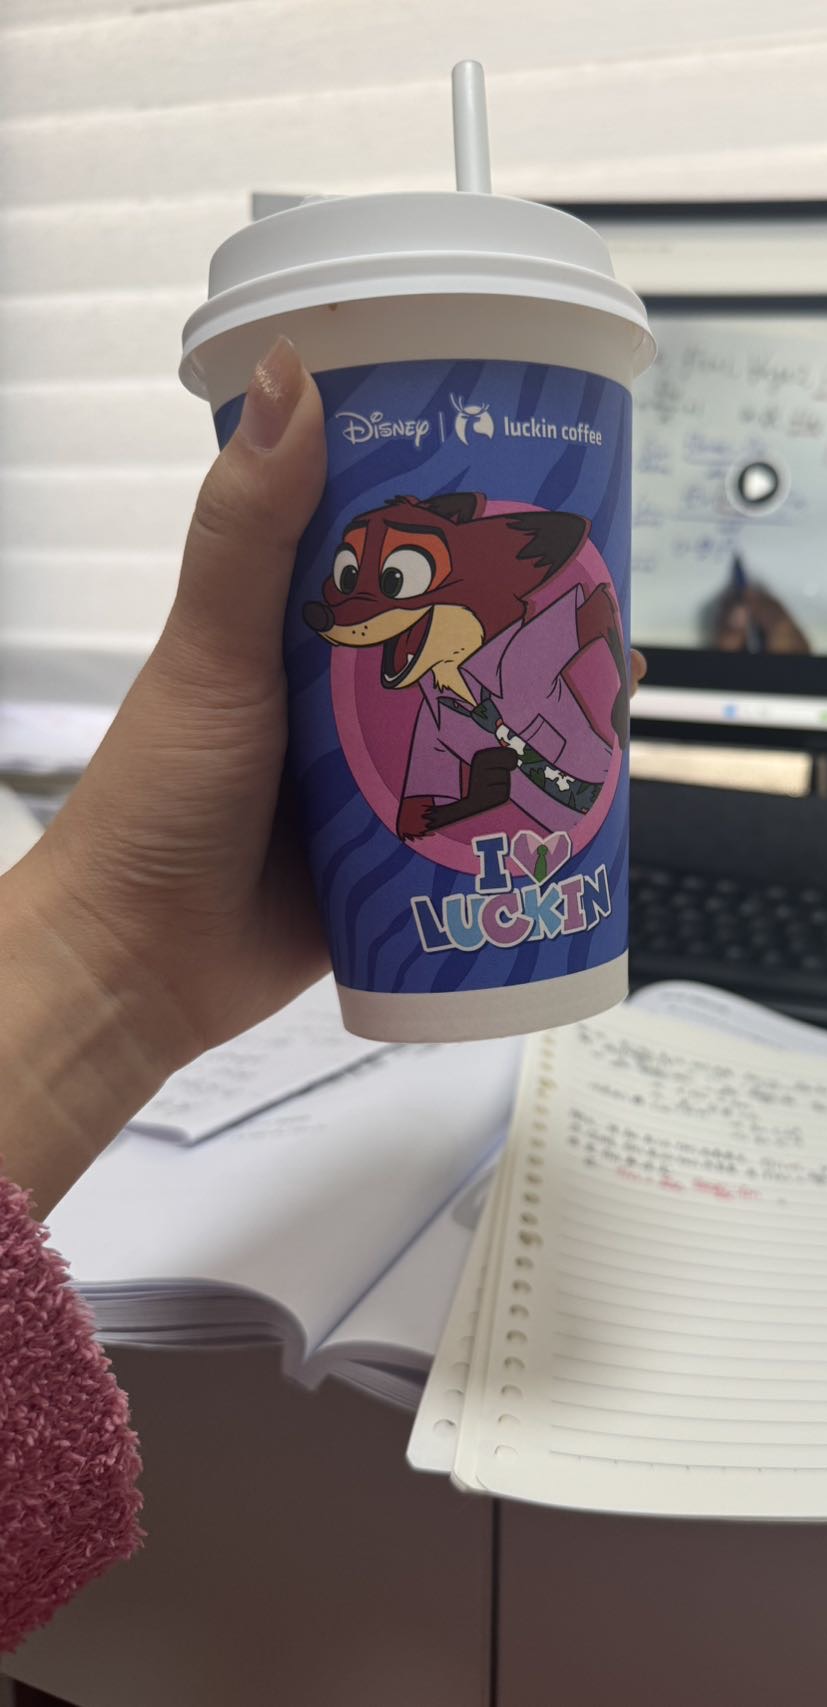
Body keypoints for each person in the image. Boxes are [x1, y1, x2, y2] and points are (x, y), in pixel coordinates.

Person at [0, 338, 645, 1649]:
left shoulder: (515, 639)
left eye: (389, 588)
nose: (355, 618)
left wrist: (115, 962)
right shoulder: (434, 679)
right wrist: (112, 948)